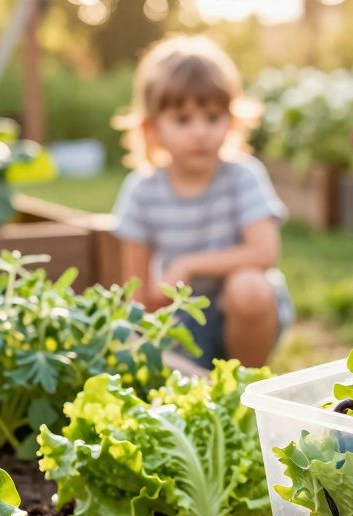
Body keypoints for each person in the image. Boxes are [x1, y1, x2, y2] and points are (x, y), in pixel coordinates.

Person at [112, 35, 292, 369]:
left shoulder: (243, 176)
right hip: (182, 320)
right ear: (153, 128)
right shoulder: (142, 190)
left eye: (212, 117)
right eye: (183, 119)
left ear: (231, 120)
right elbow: (134, 286)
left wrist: (189, 265)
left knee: (249, 286)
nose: (200, 132)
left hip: (242, 314)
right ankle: (200, 379)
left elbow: (264, 253)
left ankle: (245, 384)